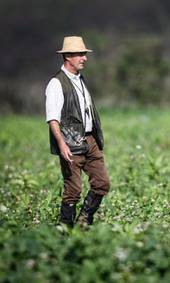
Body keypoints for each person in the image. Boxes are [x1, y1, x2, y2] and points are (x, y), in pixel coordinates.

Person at [45, 36, 110, 228]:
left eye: (84, 54)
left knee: (102, 183)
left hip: (90, 140)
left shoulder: (80, 80)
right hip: (70, 143)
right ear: (67, 56)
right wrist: (62, 143)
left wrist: (95, 140)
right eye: (80, 54)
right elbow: (52, 118)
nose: (84, 58)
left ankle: (84, 220)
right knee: (73, 190)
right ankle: (66, 230)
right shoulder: (56, 84)